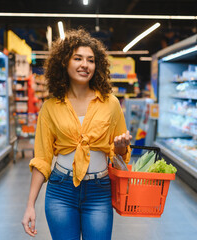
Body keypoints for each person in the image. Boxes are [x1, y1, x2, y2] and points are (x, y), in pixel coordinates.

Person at [21, 28, 132, 240]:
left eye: (91, 60)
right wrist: (30, 205)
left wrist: (119, 148)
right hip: (60, 191)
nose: (85, 65)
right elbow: (42, 159)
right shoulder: (51, 107)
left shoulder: (110, 104)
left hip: (99, 191)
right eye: (78, 58)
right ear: (64, 62)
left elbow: (119, 157)